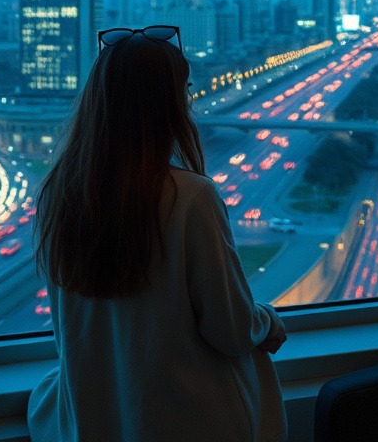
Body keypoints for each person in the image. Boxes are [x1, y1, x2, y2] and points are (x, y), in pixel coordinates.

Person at [29, 25, 288, 442]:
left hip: (89, 424)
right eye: (184, 91)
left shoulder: (60, 195)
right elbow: (232, 330)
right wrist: (269, 322)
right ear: (165, 105)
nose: (189, 103)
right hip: (183, 423)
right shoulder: (191, 198)